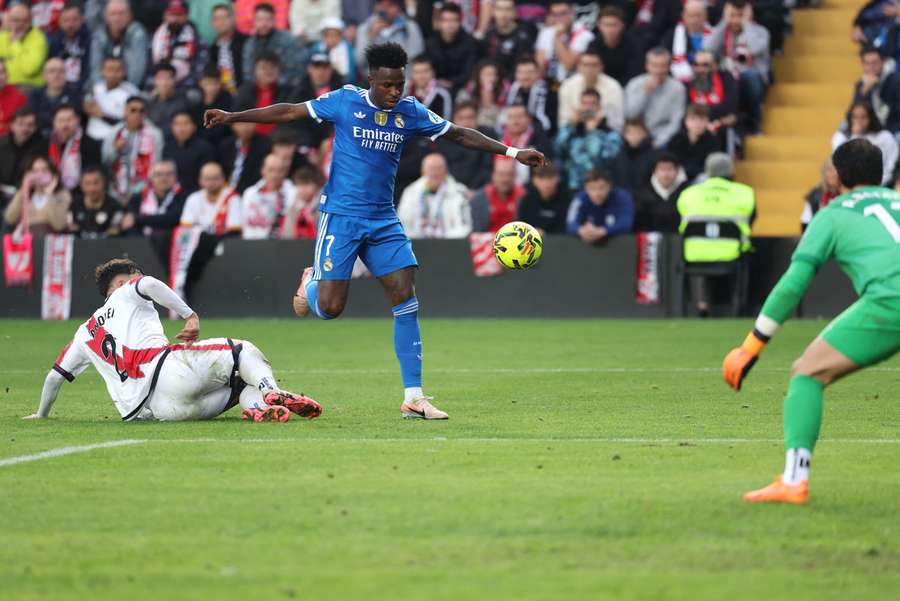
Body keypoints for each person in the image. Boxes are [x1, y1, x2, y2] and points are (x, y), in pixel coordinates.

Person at [203, 42, 546, 419]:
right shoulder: (344, 101)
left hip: (383, 219)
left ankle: (414, 396)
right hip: (342, 216)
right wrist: (233, 116)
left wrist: (512, 153)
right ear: (371, 80)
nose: (395, 92)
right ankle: (311, 282)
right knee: (330, 308)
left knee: (405, 294)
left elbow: (459, 134)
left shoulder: (410, 111)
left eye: (400, 84)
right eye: (388, 85)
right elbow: (289, 111)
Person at [722, 138, 900, 503]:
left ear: (837, 176)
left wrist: (751, 346)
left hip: (890, 301)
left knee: (807, 374)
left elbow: (793, 285)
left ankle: (793, 480)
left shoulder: (832, 214)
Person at [25, 258, 322, 423]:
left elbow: (54, 378)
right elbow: (150, 284)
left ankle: (259, 408)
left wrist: (41, 415)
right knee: (242, 350)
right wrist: (189, 315)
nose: (139, 279)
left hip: (158, 412)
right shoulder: (127, 291)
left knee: (241, 383)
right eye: (134, 275)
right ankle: (271, 391)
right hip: (165, 371)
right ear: (122, 283)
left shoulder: (83, 332)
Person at [677, 153, 755, 316]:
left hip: (694, 255)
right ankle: (738, 306)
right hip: (732, 255)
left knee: (701, 251)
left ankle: (702, 304)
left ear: (707, 171)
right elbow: (751, 221)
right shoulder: (745, 193)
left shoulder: (688, 194)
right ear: (731, 171)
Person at [703, 0, 770, 133]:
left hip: (750, 79)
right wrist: (724, 22)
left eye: (740, 15)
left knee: (750, 77)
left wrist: (746, 24)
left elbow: (755, 48)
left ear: (748, 15)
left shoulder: (760, 31)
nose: (735, 20)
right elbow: (707, 47)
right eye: (732, 15)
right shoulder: (723, 31)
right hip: (727, 78)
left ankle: (753, 121)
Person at [555, 89, 622, 191]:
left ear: (599, 107)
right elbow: (557, 149)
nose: (588, 108)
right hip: (572, 186)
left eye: (592, 104)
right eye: (584, 103)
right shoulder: (572, 130)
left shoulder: (610, 134)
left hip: (599, 189)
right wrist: (571, 125)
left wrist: (592, 133)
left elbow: (605, 158)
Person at [102, 96, 165, 200]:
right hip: (117, 189)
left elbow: (158, 162)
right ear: (125, 111)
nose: (137, 114)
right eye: (133, 110)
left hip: (144, 190)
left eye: (141, 111)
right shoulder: (114, 133)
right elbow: (105, 162)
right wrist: (115, 149)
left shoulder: (154, 134)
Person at [397, 152, 472, 238]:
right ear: (423, 171)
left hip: (451, 243)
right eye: (431, 169)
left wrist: (442, 240)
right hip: (416, 243)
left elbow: (465, 226)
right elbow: (403, 224)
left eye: (439, 168)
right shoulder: (411, 192)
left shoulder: (460, 192)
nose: (435, 173)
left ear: (446, 171)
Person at [624, 47, 687, 148]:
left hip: (662, 137)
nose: (658, 70)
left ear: (669, 67)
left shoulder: (677, 88)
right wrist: (644, 92)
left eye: (663, 66)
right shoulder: (634, 84)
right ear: (647, 66)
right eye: (654, 65)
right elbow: (629, 115)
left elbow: (675, 122)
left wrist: (658, 142)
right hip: (636, 135)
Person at [832, 101, 899, 185]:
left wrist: (880, 182)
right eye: (855, 117)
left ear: (870, 117)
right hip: (853, 185)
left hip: (884, 183)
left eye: (863, 117)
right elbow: (841, 163)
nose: (859, 121)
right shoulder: (841, 137)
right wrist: (855, 135)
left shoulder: (885, 137)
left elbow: (892, 163)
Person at [557, 50, 624, 133]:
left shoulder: (613, 87)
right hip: (574, 134)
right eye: (585, 65)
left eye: (594, 65)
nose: (590, 69)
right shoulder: (568, 86)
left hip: (604, 134)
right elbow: (562, 122)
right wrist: (574, 121)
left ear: (601, 67)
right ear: (579, 67)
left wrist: (600, 122)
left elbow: (617, 124)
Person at [436, 101, 496, 191]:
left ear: (477, 119)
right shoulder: (444, 140)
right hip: (451, 190)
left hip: (481, 190)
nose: (466, 122)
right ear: (454, 120)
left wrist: (475, 191)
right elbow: (443, 170)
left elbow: (487, 168)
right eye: (461, 118)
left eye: (470, 118)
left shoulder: (488, 137)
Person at [3, 156, 71, 235]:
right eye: (35, 171)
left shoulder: (62, 194)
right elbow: (10, 218)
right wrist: (24, 189)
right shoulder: (24, 194)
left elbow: (59, 225)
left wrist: (50, 195)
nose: (39, 175)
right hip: (27, 239)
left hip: (49, 239)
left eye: (44, 170)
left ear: (53, 173)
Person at [88, 0, 149, 87]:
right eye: (113, 14)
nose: (117, 18)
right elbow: (96, 68)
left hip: (131, 88)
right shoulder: (99, 36)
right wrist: (100, 89)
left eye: (122, 13)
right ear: (106, 17)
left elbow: (137, 69)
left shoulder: (137, 34)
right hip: (105, 88)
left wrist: (125, 91)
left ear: (130, 15)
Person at [241, 2, 305, 86]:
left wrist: (273, 84)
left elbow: (294, 69)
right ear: (254, 22)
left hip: (284, 87)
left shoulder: (286, 39)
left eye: (268, 19)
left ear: (274, 21)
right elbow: (248, 72)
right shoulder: (250, 44)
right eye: (260, 20)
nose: (263, 24)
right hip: (258, 87)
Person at [566, 168, 634, 244]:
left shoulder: (622, 197)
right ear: (585, 188)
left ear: (610, 186)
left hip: (618, 245)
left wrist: (602, 231)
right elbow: (570, 223)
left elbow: (626, 223)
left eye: (601, 188)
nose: (597, 193)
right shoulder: (579, 199)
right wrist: (581, 230)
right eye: (592, 188)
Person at [355, 0, 424, 74]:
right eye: (381, 4)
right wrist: (370, 37)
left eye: (390, 5)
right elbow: (359, 61)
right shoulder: (364, 28)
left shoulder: (410, 27)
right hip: (374, 79)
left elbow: (416, 59)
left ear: (398, 8)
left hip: (403, 78)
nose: (384, 9)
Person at [234, 51, 293, 136]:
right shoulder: (244, 92)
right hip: (252, 139)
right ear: (255, 71)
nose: (269, 71)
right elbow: (238, 120)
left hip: (280, 139)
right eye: (264, 68)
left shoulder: (288, 92)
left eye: (272, 67)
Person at [122, 159, 186, 236]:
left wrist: (138, 219)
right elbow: (129, 221)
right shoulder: (138, 198)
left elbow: (171, 219)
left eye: (169, 174)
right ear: (151, 177)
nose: (164, 178)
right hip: (141, 240)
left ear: (176, 177)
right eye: (159, 174)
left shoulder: (184, 197)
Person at [535, 1, 594, 84]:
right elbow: (539, 65)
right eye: (555, 14)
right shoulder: (546, 32)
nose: (559, 18)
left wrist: (557, 38)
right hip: (548, 83)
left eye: (563, 13)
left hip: (572, 83)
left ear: (572, 13)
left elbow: (569, 65)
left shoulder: (584, 34)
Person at [425, 3, 478, 95]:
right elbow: (428, 69)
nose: (450, 24)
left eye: (454, 20)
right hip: (435, 87)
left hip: (461, 88)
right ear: (440, 22)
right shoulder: (430, 43)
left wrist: (452, 82)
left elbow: (469, 72)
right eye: (446, 20)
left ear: (460, 22)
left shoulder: (470, 43)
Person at [84, 56, 141, 141]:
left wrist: (102, 116)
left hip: (113, 141)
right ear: (102, 71)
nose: (113, 74)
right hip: (90, 136)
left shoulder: (132, 93)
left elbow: (132, 123)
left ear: (124, 72)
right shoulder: (95, 88)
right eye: (110, 70)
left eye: (118, 70)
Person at [48, 104, 102, 191]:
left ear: (78, 120)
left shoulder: (90, 144)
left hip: (80, 193)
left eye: (69, 120)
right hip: (50, 191)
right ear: (54, 122)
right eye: (60, 120)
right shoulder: (45, 144)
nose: (65, 125)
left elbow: (92, 174)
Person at [241, 153, 296, 239]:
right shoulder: (250, 193)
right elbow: (244, 223)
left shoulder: (293, 193)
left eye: (280, 170)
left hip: (281, 244)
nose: (275, 175)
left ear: (285, 172)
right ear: (263, 170)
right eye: (271, 170)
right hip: (251, 243)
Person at [586, 6, 642, 88]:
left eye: (614, 25)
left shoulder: (633, 45)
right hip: (600, 87)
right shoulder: (593, 45)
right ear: (599, 25)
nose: (610, 30)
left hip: (627, 87)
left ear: (622, 25)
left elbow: (635, 73)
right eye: (606, 25)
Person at [685, 51, 739, 138]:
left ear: (715, 66)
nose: (700, 69)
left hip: (721, 129)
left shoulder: (726, 78)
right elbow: (687, 110)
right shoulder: (688, 83)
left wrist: (702, 114)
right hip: (695, 127)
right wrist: (717, 119)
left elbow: (729, 107)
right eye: (696, 64)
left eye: (705, 65)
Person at [179, 161, 242, 235]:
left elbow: (234, 231)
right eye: (207, 179)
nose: (211, 182)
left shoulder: (233, 198)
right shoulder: (193, 198)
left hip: (223, 240)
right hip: (198, 241)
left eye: (215, 178)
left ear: (223, 179)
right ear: (200, 180)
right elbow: (185, 229)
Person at [480, 0, 537, 79]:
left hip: (515, 81)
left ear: (515, 12)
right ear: (493, 11)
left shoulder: (523, 37)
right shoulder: (489, 34)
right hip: (492, 80)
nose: (503, 14)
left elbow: (523, 68)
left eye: (508, 9)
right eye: (499, 9)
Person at [150, 0, 202, 87]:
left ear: (186, 16)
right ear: (165, 16)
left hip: (186, 85)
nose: (175, 19)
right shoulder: (155, 36)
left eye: (179, 15)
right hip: (159, 83)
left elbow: (199, 68)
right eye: (172, 14)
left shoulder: (196, 38)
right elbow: (150, 66)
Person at [634, 152, 688, 233]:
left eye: (670, 169)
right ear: (654, 172)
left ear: (677, 171)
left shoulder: (686, 193)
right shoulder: (643, 194)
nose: (666, 174)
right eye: (662, 169)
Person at [500, 102, 553, 186]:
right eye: (511, 117)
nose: (515, 121)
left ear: (529, 119)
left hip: (531, 188)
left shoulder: (540, 139)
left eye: (519, 116)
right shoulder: (499, 140)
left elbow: (546, 166)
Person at [163, 110, 215, 194]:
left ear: (194, 126)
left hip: (197, 194)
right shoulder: (167, 148)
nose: (181, 128)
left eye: (186, 123)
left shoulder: (204, 149)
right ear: (171, 127)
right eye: (177, 124)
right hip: (171, 194)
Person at [852, 46, 900, 135]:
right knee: (841, 133)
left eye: (875, 62)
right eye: (867, 63)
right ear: (862, 65)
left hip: (894, 131)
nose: (871, 67)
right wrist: (864, 91)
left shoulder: (896, 81)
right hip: (871, 132)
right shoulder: (861, 85)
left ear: (883, 62)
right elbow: (852, 114)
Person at [28, 58, 82, 136]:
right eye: (52, 71)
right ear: (44, 75)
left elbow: (74, 120)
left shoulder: (75, 94)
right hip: (40, 136)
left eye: (61, 71)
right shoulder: (35, 95)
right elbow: (32, 119)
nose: (57, 75)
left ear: (66, 75)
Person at [666, 103, 720, 182]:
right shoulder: (676, 140)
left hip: (702, 176)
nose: (697, 123)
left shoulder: (713, 140)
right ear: (686, 121)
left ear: (707, 121)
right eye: (693, 119)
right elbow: (671, 161)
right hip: (680, 175)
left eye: (702, 120)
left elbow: (711, 164)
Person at [0, 2, 49, 87]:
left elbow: (29, 69)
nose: (20, 24)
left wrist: (15, 43)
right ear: (9, 20)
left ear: (31, 22)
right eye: (16, 20)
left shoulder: (38, 38)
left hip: (28, 85)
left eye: (25, 21)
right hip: (5, 86)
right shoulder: (2, 36)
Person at [663, 0, 712, 84]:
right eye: (691, 16)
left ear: (705, 16)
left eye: (698, 15)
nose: (695, 20)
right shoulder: (672, 36)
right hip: (679, 82)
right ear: (683, 16)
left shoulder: (715, 36)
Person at [470, 159, 525, 233]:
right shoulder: (480, 199)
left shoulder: (523, 197)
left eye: (509, 174)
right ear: (493, 175)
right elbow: (476, 231)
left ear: (514, 176)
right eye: (501, 174)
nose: (505, 179)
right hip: (488, 239)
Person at [68, 166, 124, 238]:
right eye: (87, 183)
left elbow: (115, 231)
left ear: (104, 183)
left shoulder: (115, 206)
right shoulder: (74, 205)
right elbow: (71, 228)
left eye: (96, 183)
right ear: (81, 185)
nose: (92, 188)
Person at [0, 108, 48, 192]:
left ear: (35, 128)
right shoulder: (2, 143)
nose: (25, 129)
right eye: (20, 124)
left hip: (26, 192)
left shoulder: (42, 147)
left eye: (30, 125)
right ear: (12, 126)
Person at [47, 1, 92, 91]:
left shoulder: (90, 41)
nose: (70, 24)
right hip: (59, 87)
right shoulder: (54, 42)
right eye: (66, 20)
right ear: (60, 22)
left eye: (75, 20)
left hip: (84, 87)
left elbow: (90, 70)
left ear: (82, 20)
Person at [218, 120, 272, 194]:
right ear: (233, 125)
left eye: (249, 122)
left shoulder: (265, 146)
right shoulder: (225, 145)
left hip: (251, 192)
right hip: (224, 192)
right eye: (241, 123)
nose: (245, 128)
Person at [516, 163, 570, 235]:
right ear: (534, 180)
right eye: (541, 178)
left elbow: (568, 228)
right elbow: (519, 227)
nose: (546, 184)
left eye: (550, 178)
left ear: (558, 178)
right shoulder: (526, 201)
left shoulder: (567, 199)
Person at [207, 3, 247, 94]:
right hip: (222, 95)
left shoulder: (245, 42)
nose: (221, 22)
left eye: (224, 18)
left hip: (243, 93)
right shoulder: (213, 48)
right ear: (212, 23)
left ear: (233, 19)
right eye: (217, 19)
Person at [455, 60, 507, 130]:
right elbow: (460, 114)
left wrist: (489, 102)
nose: (492, 78)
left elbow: (500, 120)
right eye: (487, 75)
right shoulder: (466, 92)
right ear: (478, 75)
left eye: (494, 75)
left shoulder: (505, 92)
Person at [147, 61, 194, 138]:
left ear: (174, 81)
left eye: (168, 78)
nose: (164, 83)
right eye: (160, 78)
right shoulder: (150, 102)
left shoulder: (183, 103)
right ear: (155, 81)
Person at [505, 55, 551, 133]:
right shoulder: (512, 91)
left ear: (537, 73)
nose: (525, 77)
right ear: (516, 74)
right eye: (521, 72)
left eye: (530, 72)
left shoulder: (548, 93)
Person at [612, 118, 657, 191]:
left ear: (645, 134)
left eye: (638, 133)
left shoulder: (654, 155)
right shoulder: (619, 156)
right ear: (624, 135)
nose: (634, 136)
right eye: (630, 133)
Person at [281, 164, 322, 239]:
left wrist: (311, 218)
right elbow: (287, 234)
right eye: (300, 185)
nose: (303, 189)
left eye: (306, 185)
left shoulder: (323, 206)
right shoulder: (293, 208)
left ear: (316, 185)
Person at [312, 17, 356, 84]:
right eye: (328, 36)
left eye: (336, 35)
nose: (332, 39)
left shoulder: (347, 49)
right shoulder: (317, 48)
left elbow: (350, 74)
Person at [801, 160, 841, 231]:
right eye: (830, 170)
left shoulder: (848, 194)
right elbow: (806, 223)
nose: (833, 173)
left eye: (836, 170)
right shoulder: (815, 196)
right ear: (824, 173)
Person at [0, 60, 27, 135]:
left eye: (2, 72)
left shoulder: (19, 97)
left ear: (7, 75)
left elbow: (23, 127)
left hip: (9, 138)